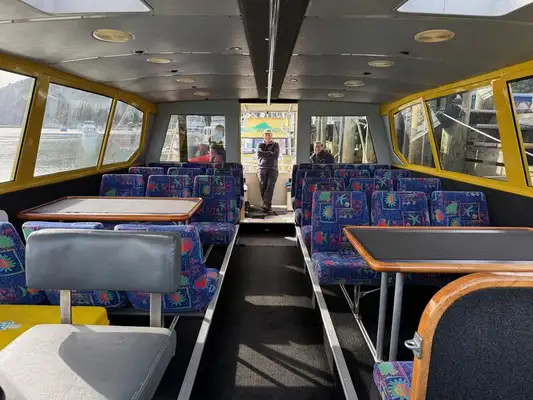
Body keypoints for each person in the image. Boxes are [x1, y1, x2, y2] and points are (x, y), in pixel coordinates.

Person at [257, 130, 279, 212]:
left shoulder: (275, 144)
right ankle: (267, 205)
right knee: (262, 186)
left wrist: (264, 153)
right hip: (261, 168)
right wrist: (270, 152)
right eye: (265, 135)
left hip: (273, 168)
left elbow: (275, 156)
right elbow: (259, 154)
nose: (267, 136)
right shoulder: (260, 144)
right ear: (263, 136)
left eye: (268, 135)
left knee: (270, 186)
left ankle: (265, 204)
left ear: (271, 136)